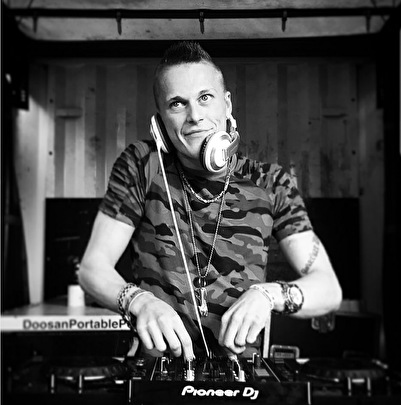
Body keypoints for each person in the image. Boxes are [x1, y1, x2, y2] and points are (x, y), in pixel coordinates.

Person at [78, 41, 342, 362]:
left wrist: (268, 295)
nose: (195, 116)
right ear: (160, 123)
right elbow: (92, 268)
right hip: (158, 371)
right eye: (178, 104)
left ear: (227, 105)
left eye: (205, 98)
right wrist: (139, 301)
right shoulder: (142, 165)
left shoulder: (271, 182)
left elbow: (329, 289)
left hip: (241, 372)